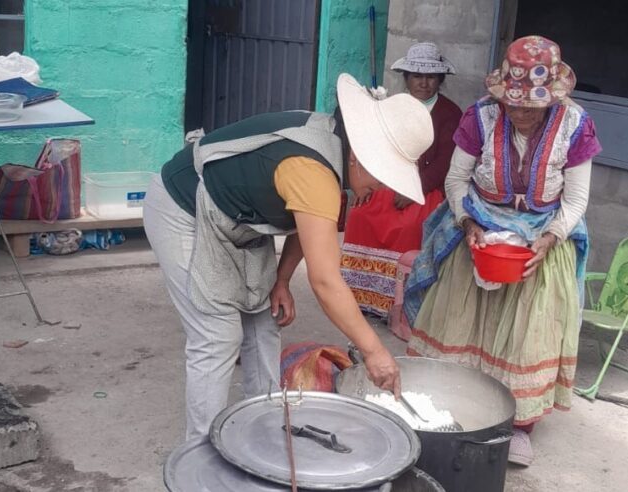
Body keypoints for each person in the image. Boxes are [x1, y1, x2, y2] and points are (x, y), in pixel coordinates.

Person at [143, 73, 434, 440]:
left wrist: (280, 280)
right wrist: (374, 351)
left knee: (263, 324)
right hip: (181, 207)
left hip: (238, 222)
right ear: (361, 158)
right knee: (217, 336)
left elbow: (306, 223)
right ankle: (201, 457)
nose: (379, 189)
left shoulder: (331, 147)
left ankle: (261, 431)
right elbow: (326, 281)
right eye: (382, 178)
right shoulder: (313, 171)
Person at [403, 36, 602, 466]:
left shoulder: (575, 123)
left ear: (552, 99)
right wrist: (469, 223)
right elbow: (456, 181)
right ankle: (454, 403)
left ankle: (517, 425)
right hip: (480, 228)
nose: (520, 113)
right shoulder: (481, 116)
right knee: (463, 324)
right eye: (513, 105)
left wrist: (549, 239)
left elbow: (575, 200)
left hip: (542, 239)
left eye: (531, 107)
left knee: (527, 334)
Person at [341, 42, 461, 319]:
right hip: (387, 181)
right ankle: (360, 297)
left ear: (440, 80)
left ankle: (396, 304)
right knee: (361, 215)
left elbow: (445, 161)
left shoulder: (450, 114)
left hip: (424, 187)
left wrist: (414, 188)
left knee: (409, 224)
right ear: (407, 78)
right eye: (417, 76)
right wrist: (366, 181)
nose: (424, 82)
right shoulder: (391, 106)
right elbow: (375, 147)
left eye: (430, 77)